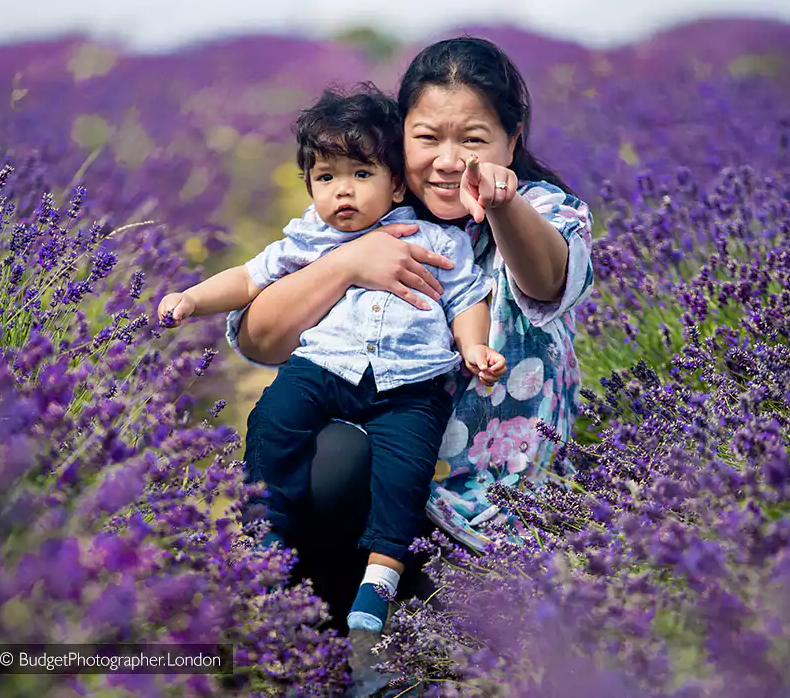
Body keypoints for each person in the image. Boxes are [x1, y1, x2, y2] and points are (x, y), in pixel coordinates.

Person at [226, 36, 594, 633]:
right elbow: (259, 340)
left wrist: (501, 205)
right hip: (390, 488)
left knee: (466, 639)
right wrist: (347, 264)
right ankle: (310, 634)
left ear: (513, 140)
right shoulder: (372, 218)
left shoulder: (545, 211)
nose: (449, 161)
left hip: (494, 505)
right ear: (400, 140)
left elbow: (546, 276)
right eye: (427, 139)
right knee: (327, 457)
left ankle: (401, 630)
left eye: (473, 140)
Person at [157, 85, 507, 633]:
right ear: (309, 186)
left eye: (361, 175)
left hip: (409, 384)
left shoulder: (438, 240)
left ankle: (380, 582)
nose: (342, 191)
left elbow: (468, 299)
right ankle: (265, 532)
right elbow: (251, 277)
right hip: (326, 368)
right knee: (273, 422)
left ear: (396, 185)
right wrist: (192, 299)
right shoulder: (310, 237)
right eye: (326, 177)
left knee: (404, 473)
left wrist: (474, 347)